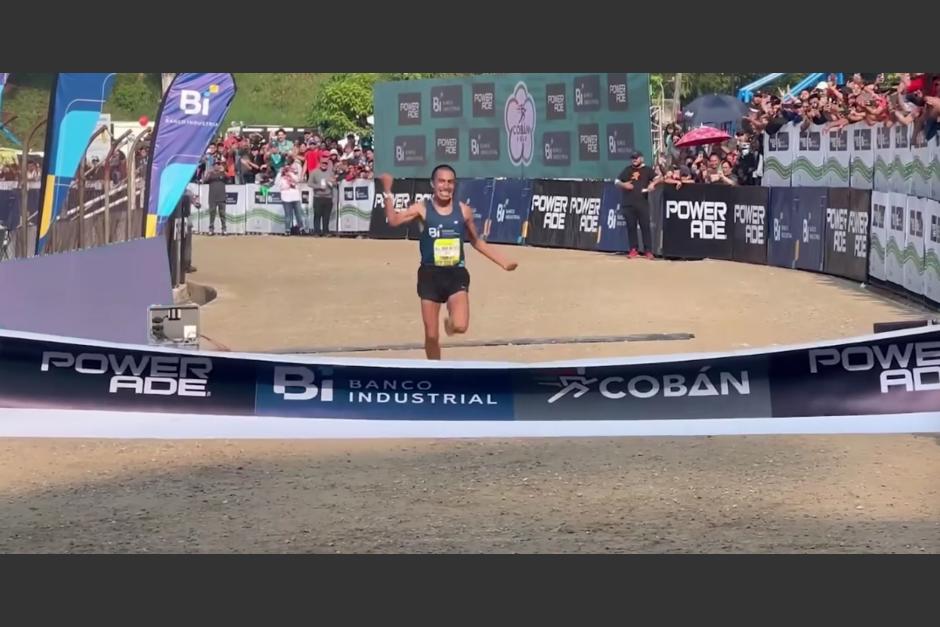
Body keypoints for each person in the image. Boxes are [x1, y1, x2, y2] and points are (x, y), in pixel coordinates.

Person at [378, 165, 518, 360]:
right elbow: (393, 221)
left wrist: (503, 261)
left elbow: (476, 241)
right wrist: (387, 191)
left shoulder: (464, 211)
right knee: (431, 335)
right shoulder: (422, 209)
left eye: (450, 182)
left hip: (455, 274)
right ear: (433, 184)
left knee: (460, 325)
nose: (446, 186)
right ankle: (436, 371)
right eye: (441, 181)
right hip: (429, 276)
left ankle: (450, 324)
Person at [615, 151, 655, 259]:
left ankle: (648, 251)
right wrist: (624, 185)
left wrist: (652, 184)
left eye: (636, 158)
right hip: (628, 204)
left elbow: (657, 178)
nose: (634, 159)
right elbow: (616, 181)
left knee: (645, 227)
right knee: (631, 227)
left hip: (642, 203)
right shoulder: (628, 170)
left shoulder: (647, 170)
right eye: (633, 158)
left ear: (641, 158)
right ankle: (633, 249)